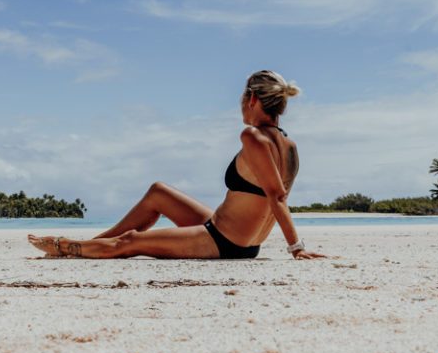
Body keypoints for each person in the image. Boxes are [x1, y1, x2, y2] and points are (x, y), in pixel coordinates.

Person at [28, 69, 325, 261]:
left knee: (131, 242)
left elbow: (276, 196)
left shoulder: (253, 137)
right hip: (229, 232)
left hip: (225, 242)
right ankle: (92, 246)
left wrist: (296, 248)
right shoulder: (289, 146)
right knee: (158, 192)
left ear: (251, 99)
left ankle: (64, 245)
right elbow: (271, 197)